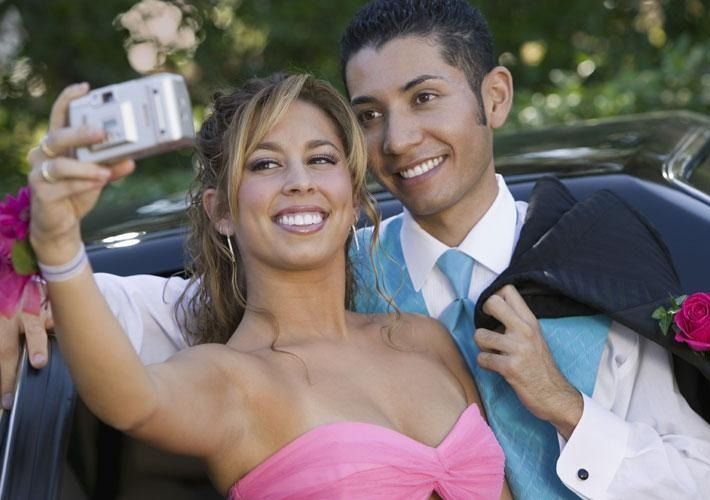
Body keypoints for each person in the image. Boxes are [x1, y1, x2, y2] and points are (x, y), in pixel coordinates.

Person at [4, 0, 710, 498]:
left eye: (426, 98)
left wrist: (567, 408)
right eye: (370, 115)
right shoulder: (333, 266)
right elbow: (144, 313)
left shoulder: (595, 265)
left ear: (495, 97)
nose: (400, 140)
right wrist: (33, 277)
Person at [25, 73, 511, 499]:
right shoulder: (230, 379)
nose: (300, 181)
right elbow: (132, 401)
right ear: (221, 212)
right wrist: (59, 247)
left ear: (353, 192)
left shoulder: (424, 340)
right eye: (265, 164)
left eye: (321, 158)